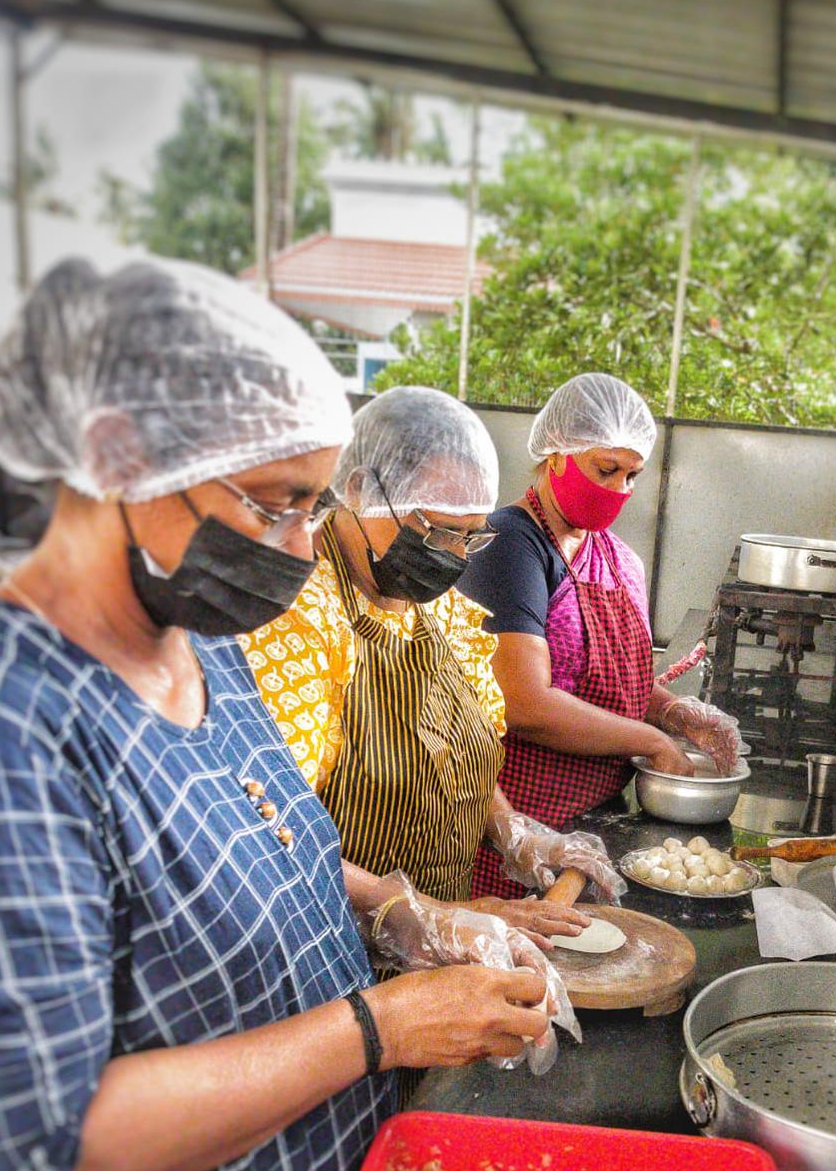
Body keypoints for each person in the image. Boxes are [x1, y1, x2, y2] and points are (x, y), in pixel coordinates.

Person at [0, 257, 557, 1171]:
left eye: (317, 505)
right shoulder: (27, 721)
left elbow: (283, 848)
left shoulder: (210, 644)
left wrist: (406, 911)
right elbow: (57, 1141)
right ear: (115, 455)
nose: (304, 547)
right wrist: (381, 1025)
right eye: (276, 501)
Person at [243, 386, 622, 945]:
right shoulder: (296, 617)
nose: (451, 555)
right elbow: (271, 829)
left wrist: (517, 834)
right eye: (437, 530)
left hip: (448, 936)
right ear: (359, 490)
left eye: (470, 536)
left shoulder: (439, 609)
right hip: (328, 950)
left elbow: (454, 757)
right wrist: (424, 918)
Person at [459, 373, 740, 899]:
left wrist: (673, 711)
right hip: (520, 836)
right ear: (556, 454)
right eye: (605, 469)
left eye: (632, 475)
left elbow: (608, 678)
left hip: (600, 819)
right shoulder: (507, 547)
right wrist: (652, 740)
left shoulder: (617, 559)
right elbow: (522, 701)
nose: (619, 490)